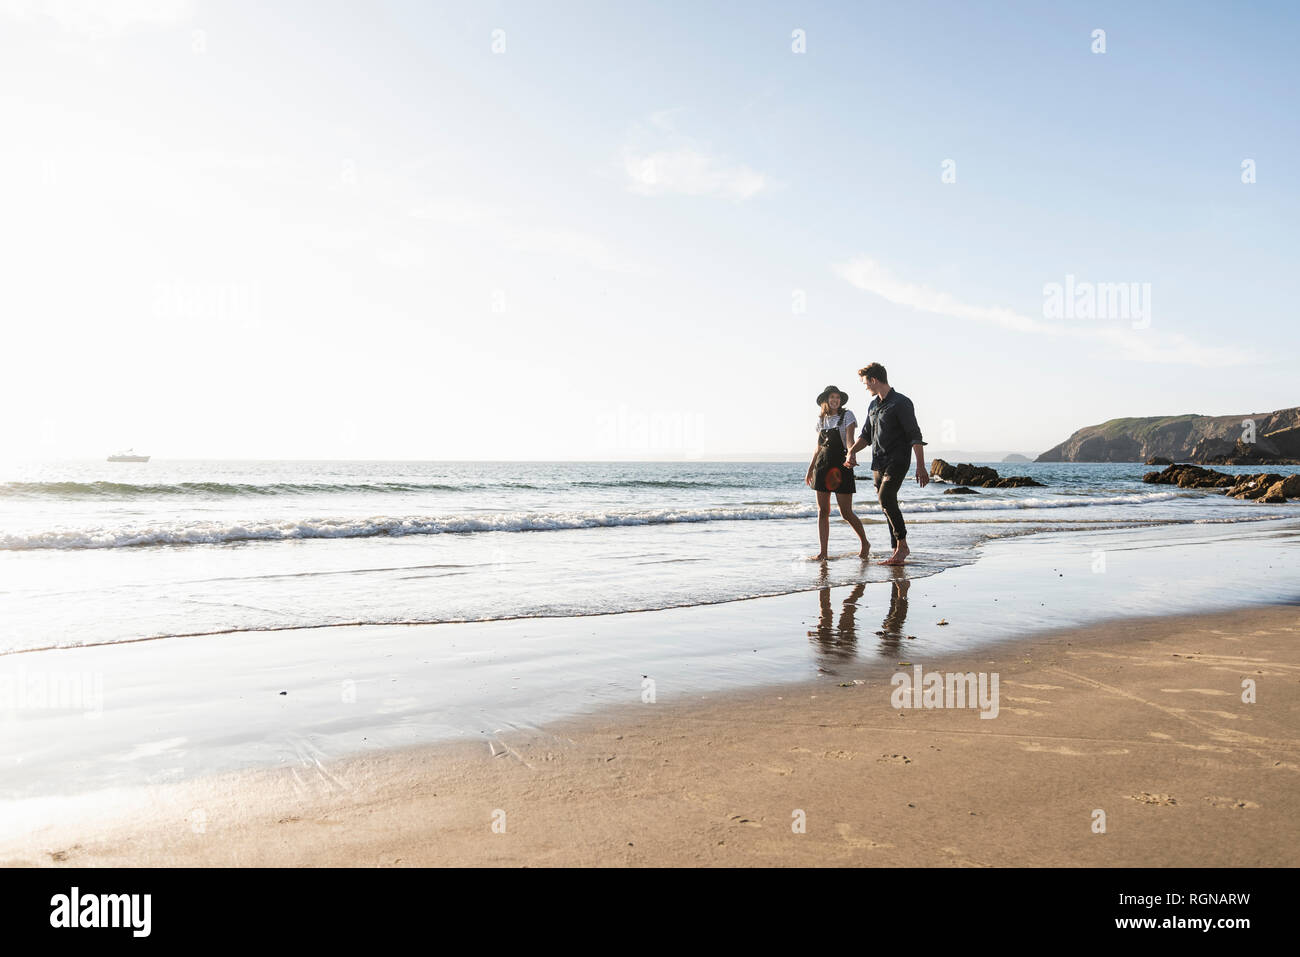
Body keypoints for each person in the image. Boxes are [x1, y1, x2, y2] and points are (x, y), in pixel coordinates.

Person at [845, 363, 927, 565]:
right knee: (886, 505)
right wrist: (851, 452)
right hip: (878, 462)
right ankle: (896, 549)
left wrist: (921, 466)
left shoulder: (901, 403)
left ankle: (903, 546)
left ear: (874, 380)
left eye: (866, 383)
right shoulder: (873, 406)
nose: (865, 387)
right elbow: (866, 436)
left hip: (897, 460)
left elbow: (914, 435)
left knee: (886, 497)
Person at [804, 385, 871, 561]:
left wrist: (852, 454)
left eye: (838, 397)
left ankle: (865, 542)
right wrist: (810, 469)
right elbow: (818, 447)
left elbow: (850, 441)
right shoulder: (821, 420)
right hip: (822, 466)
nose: (835, 400)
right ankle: (823, 552)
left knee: (846, 512)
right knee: (822, 511)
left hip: (841, 466)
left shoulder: (847, 416)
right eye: (832, 397)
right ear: (825, 400)